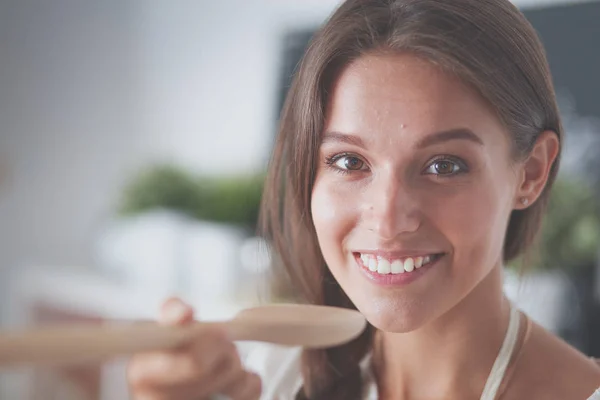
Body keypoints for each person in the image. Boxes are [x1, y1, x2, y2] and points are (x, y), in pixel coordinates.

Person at [126, 0, 600, 399]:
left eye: (444, 165)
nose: (389, 219)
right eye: (349, 162)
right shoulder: (274, 375)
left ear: (531, 173)